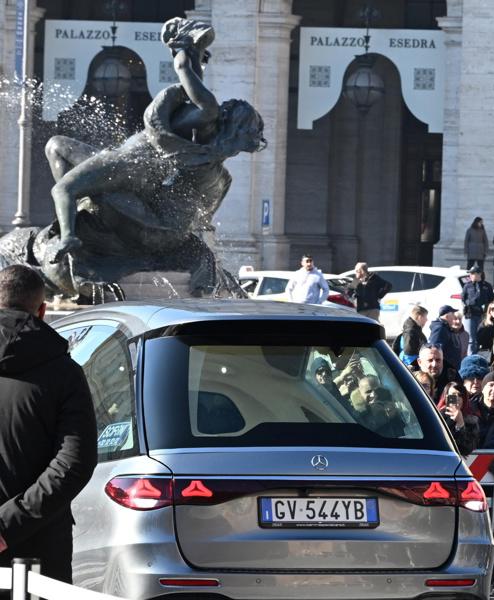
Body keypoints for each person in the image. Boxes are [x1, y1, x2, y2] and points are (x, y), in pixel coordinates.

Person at [44, 18, 266, 265]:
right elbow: (192, 80)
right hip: (142, 166)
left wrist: (182, 46)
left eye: (231, 106)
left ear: (232, 118)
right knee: (56, 145)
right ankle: (80, 211)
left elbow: (182, 68)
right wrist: (196, 53)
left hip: (130, 161)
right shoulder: (205, 133)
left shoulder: (208, 109)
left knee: (62, 188)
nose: (226, 103)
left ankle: (69, 237)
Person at [0, 265, 97, 583]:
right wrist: (8, 525)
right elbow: (74, 463)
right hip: (39, 550)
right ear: (42, 311)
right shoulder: (66, 373)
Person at [435, 382, 479, 456]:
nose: (457, 398)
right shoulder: (436, 416)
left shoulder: (472, 421)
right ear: (446, 397)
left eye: (460, 395)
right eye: (453, 395)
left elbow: (467, 449)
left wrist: (460, 424)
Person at [461, 266, 494, 355]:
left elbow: (491, 300)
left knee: (482, 338)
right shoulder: (467, 286)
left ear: (479, 274)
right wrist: (469, 303)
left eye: (472, 273)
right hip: (470, 315)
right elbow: (463, 298)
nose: (470, 275)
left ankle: (481, 358)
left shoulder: (487, 286)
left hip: (483, 316)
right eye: (470, 274)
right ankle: (471, 358)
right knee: (471, 340)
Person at [428, 306, 463, 371]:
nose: (454, 317)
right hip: (445, 369)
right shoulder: (440, 328)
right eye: (452, 314)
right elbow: (434, 349)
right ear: (447, 316)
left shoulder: (445, 328)